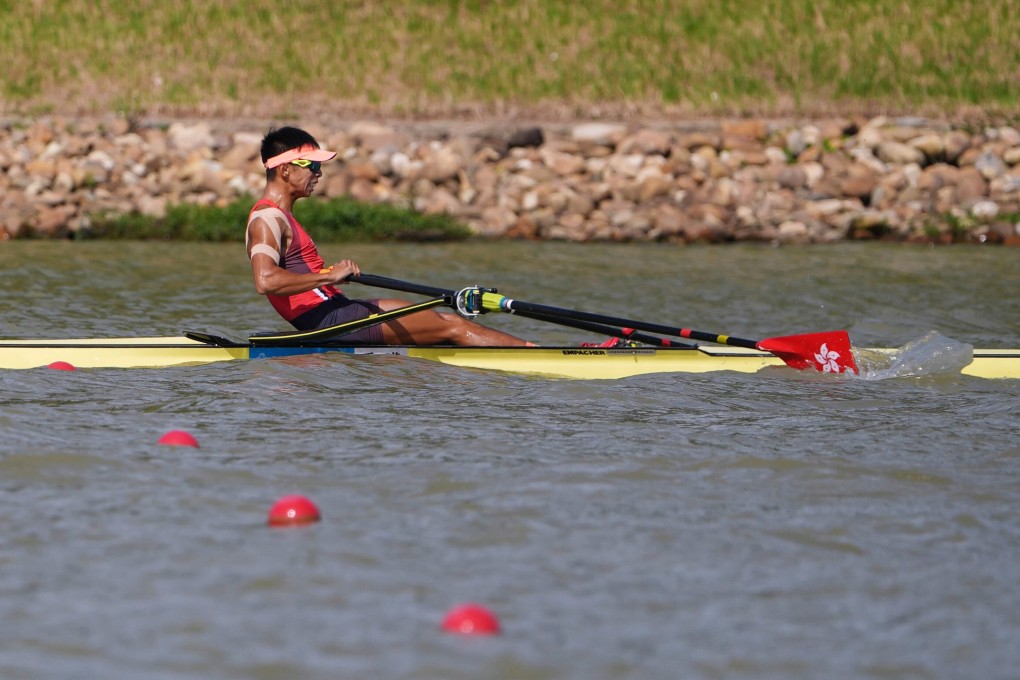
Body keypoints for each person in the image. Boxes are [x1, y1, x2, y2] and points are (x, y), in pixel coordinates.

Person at [245, 126, 533, 346]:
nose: (319, 174)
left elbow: (294, 273)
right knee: (453, 327)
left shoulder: (282, 217)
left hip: (336, 308)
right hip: (328, 321)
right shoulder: (267, 218)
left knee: (441, 320)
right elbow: (266, 281)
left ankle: (524, 350)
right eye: (314, 166)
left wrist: (327, 273)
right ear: (284, 169)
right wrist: (327, 277)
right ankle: (538, 354)